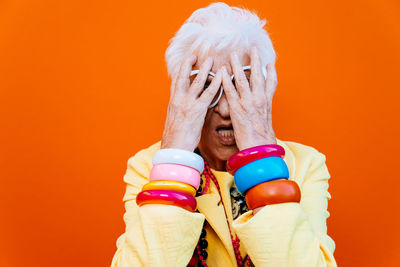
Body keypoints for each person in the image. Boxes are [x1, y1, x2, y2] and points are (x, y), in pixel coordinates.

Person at [111, 2, 336, 266]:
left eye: (242, 85)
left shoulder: (305, 164)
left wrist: (262, 161)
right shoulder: (148, 166)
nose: (226, 109)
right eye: (207, 86)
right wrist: (175, 157)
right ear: (183, 94)